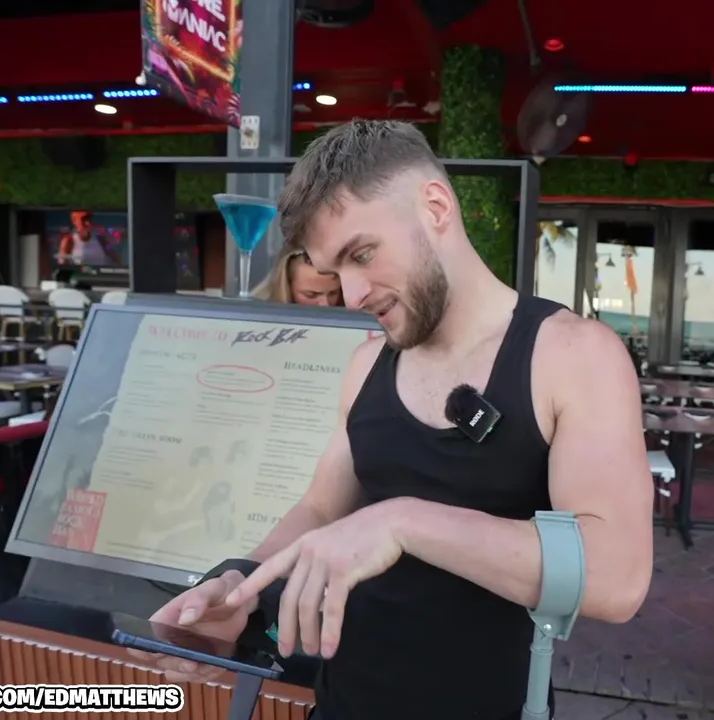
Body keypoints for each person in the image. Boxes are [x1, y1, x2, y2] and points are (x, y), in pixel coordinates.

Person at [149, 119, 653, 720]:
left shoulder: (571, 354)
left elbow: (616, 579)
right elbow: (321, 510)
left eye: (362, 254)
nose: (353, 294)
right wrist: (238, 587)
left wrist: (404, 522)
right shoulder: (367, 365)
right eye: (335, 271)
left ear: (435, 207)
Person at [253, 243, 344, 306]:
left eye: (333, 293)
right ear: (287, 285)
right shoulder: (257, 316)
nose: (325, 304)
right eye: (311, 295)